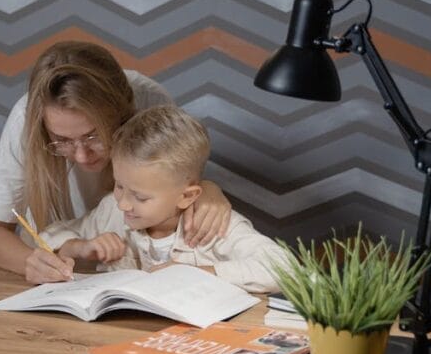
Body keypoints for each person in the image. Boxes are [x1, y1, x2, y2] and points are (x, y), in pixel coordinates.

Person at [0, 41, 233, 284]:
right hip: (64, 268)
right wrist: (29, 263)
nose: (81, 156)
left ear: (123, 114)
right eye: (61, 140)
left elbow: (174, 179)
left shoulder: (149, 102)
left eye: (93, 135)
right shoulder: (27, 120)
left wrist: (207, 188)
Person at [39, 105, 281, 293]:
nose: (123, 203)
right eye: (119, 185)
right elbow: (46, 237)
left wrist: (196, 273)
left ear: (186, 197)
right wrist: (81, 248)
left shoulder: (214, 225)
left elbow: (286, 270)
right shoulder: (111, 211)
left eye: (140, 197)